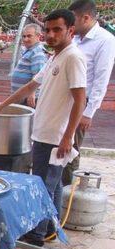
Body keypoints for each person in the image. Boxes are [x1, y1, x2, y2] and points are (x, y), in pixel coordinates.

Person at [0, 9, 86, 247]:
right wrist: (1, 106)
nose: (51, 35)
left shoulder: (73, 57)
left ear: (70, 31)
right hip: (44, 132)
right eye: (48, 30)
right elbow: (30, 86)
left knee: (41, 186)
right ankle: (50, 229)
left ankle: (36, 235)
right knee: (51, 185)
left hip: (55, 137)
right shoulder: (55, 57)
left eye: (57, 30)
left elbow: (80, 100)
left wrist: (67, 137)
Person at [63, 0, 115, 185]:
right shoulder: (76, 38)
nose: (70, 25)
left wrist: (88, 112)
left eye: (73, 20)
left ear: (85, 18)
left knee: (70, 149)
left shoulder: (105, 40)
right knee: (57, 146)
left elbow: (101, 78)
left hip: (81, 104)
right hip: (63, 102)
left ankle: (67, 192)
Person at [10, 23, 48, 107]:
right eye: (24, 36)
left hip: (28, 100)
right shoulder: (30, 50)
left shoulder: (37, 52)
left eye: (29, 36)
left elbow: (39, 76)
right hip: (22, 98)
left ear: (38, 36)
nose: (25, 39)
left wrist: (32, 93)